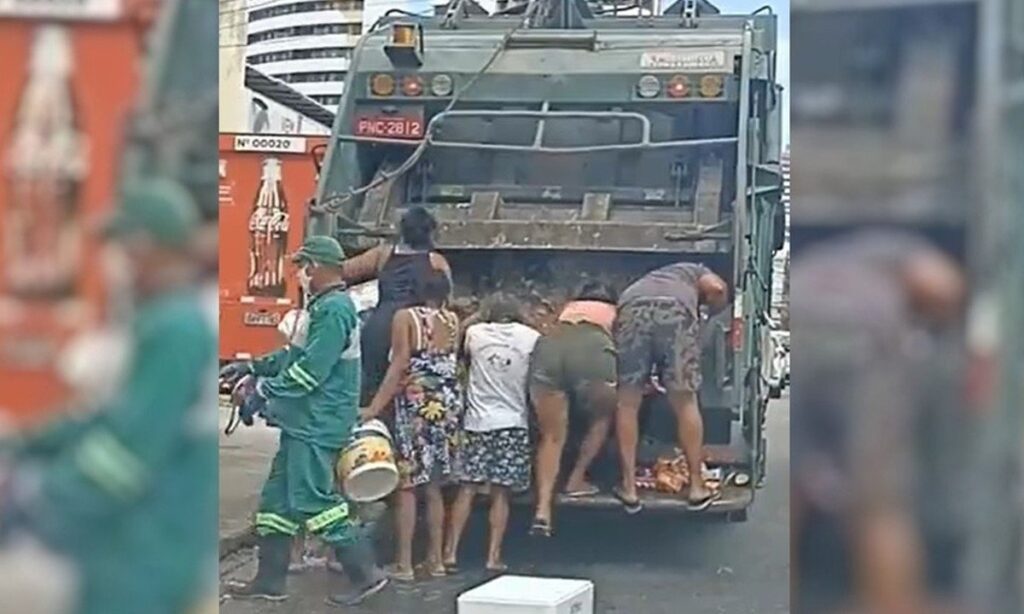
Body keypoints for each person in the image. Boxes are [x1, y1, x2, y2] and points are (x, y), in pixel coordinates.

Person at [0, 178, 217, 614]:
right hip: (134, 546)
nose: (113, 265)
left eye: (119, 250)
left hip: (148, 551)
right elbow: (107, 416)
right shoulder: (162, 322)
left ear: (141, 248)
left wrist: (36, 501)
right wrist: (24, 442)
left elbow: (124, 455)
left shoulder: (177, 330)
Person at [790, 231, 965, 614]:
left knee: (796, 484)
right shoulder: (898, 248)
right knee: (880, 499)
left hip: (800, 331)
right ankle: (890, 604)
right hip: (865, 337)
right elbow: (942, 286)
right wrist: (937, 332)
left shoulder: (818, 261)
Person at [223, 236, 388, 607]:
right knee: (276, 504)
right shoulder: (324, 307)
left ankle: (366, 574)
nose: (299, 273)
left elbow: (310, 372)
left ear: (317, 267)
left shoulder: (334, 311)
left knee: (315, 501)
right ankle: (269, 581)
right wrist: (253, 367)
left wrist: (264, 391)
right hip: (304, 424)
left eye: (303, 265)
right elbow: (292, 356)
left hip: (318, 424)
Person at [361, 270, 462, 581]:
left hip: (416, 405)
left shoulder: (406, 317)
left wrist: (374, 409)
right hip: (446, 404)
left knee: (406, 484)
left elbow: (400, 363)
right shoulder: (453, 320)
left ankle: (404, 563)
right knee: (434, 485)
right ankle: (436, 560)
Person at [614, 262, 728, 513]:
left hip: (631, 308)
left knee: (628, 401)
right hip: (674, 312)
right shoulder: (697, 270)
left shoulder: (649, 279)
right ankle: (697, 488)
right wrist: (711, 312)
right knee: (685, 401)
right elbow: (717, 288)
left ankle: (629, 488)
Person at [443, 294, 540, 572]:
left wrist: (476, 315)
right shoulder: (530, 337)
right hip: (513, 423)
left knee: (467, 488)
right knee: (501, 494)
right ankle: (493, 556)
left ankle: (450, 553)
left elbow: (460, 341)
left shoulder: (475, 333)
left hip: (476, 422)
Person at [527, 280, 620, 536]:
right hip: (593, 350)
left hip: (551, 347)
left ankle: (543, 510)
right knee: (602, 417)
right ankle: (576, 479)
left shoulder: (566, 310)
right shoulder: (614, 312)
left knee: (552, 436)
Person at [340, 206, 453, 403]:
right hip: (415, 330)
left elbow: (344, 272)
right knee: (410, 389)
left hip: (379, 327)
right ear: (430, 232)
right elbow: (446, 299)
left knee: (372, 384)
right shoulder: (436, 261)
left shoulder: (383, 255)